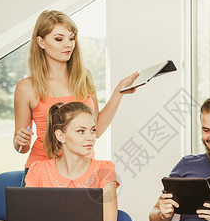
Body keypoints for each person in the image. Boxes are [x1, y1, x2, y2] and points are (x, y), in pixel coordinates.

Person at [13, 10, 138, 185]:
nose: (68, 44)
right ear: (41, 42)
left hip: (83, 171)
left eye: (71, 38)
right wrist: (19, 140)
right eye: (59, 39)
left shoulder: (84, 76)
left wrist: (118, 93)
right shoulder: (26, 87)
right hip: (42, 173)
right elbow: (22, 147)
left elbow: (96, 129)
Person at [25, 101, 118, 221]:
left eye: (92, 130)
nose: (90, 138)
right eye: (81, 131)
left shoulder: (106, 170)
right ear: (61, 135)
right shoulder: (37, 170)